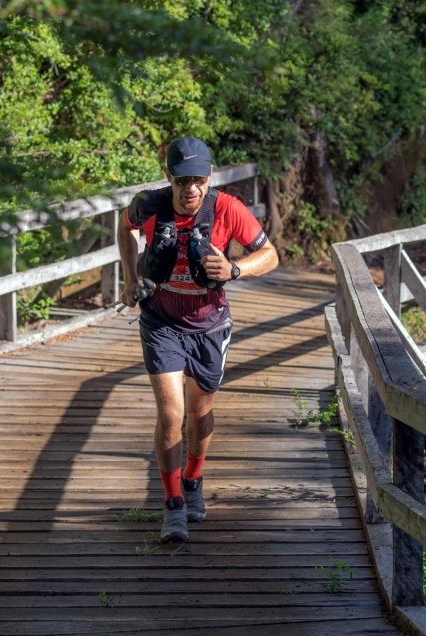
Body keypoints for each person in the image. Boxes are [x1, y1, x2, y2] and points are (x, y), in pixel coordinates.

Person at [116, 137, 279, 542]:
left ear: (209, 176)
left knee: (200, 414)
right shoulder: (149, 204)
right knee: (172, 414)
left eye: (199, 180)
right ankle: (173, 504)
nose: (191, 188)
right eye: (182, 180)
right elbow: (125, 226)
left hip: (210, 325)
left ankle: (193, 480)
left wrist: (235, 269)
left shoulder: (227, 208)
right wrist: (131, 277)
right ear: (168, 176)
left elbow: (271, 255)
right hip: (161, 321)